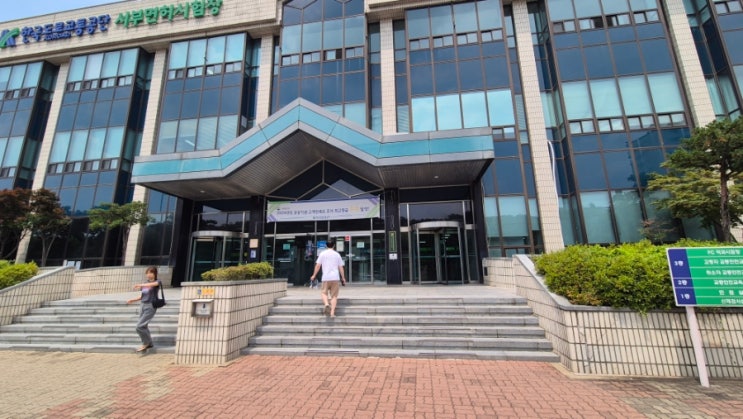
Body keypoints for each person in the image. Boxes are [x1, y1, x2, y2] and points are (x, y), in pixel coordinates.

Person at [126, 266, 162, 352]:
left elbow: (152, 285)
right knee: (143, 326)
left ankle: (146, 343)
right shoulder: (145, 283)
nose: (149, 275)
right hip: (143, 305)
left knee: (139, 326)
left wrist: (140, 285)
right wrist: (133, 300)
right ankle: (149, 343)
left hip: (151, 306)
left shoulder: (157, 282)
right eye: (147, 273)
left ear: (155, 273)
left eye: (151, 273)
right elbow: (143, 296)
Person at [309, 240, 346, 318]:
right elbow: (341, 267)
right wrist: (343, 278)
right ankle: (332, 313)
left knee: (324, 293)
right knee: (334, 296)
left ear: (326, 246)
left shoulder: (322, 254)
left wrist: (314, 275)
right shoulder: (337, 255)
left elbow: (318, 266)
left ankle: (326, 304)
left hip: (326, 277)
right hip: (335, 277)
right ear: (334, 245)